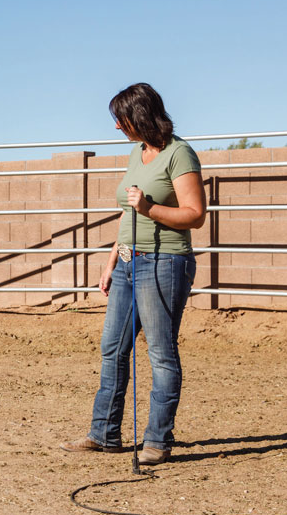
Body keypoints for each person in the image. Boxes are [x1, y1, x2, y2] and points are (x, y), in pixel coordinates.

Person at [61, 83, 206, 465]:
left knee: (160, 352)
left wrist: (149, 208)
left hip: (164, 262)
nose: (116, 128)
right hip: (127, 262)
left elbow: (195, 215)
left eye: (120, 119)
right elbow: (129, 215)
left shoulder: (180, 154)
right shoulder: (136, 154)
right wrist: (112, 261)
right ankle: (105, 433)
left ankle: (157, 440)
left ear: (139, 115)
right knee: (113, 348)